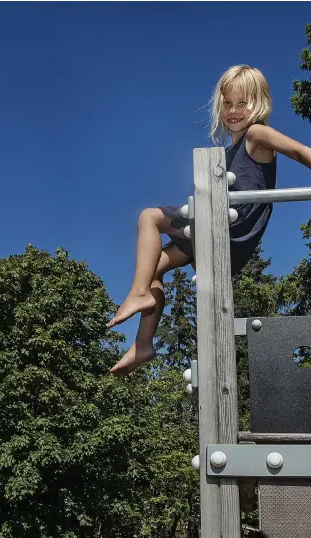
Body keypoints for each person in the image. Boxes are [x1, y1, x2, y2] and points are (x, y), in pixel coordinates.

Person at [108, 65, 311, 377]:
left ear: (259, 104)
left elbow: (299, 152)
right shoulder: (228, 151)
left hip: (229, 232)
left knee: (149, 217)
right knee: (154, 268)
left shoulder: (257, 135)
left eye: (243, 103)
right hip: (214, 232)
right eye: (228, 104)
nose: (234, 111)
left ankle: (137, 294)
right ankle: (144, 343)